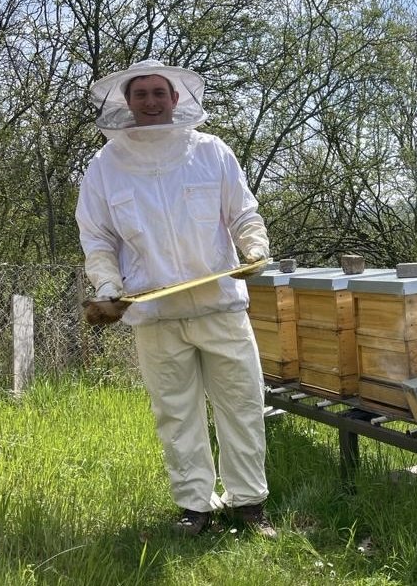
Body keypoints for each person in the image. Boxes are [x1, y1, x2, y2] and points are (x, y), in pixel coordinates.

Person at [75, 59, 275, 538]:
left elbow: (242, 213)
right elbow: (98, 239)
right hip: (154, 312)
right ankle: (194, 507)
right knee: (176, 413)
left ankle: (249, 504)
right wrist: (108, 288)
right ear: (127, 102)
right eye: (140, 93)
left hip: (220, 305)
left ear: (175, 98)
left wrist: (254, 246)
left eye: (158, 92)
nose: (150, 101)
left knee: (242, 405)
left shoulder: (211, 151)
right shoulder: (105, 166)